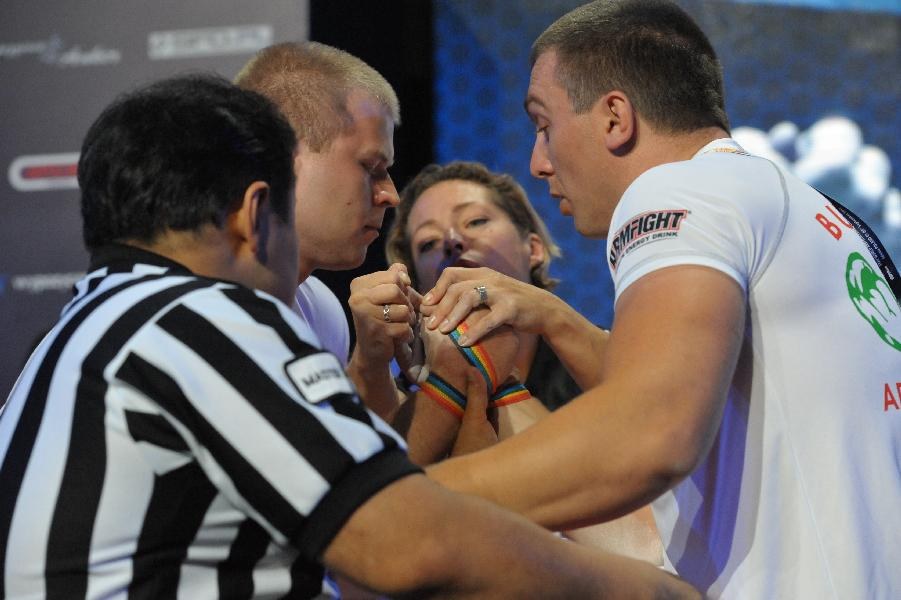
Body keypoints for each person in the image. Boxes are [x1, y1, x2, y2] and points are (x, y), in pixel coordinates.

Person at [0, 74, 701, 599]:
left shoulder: (92, 322)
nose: (388, 196)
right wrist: (647, 593)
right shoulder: (200, 319)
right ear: (256, 213)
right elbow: (405, 542)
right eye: (371, 170)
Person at [422, 1, 901, 597]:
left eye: (544, 126)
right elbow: (701, 387)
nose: (538, 162)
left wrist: (403, 503)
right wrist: (556, 320)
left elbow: (652, 430)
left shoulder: (678, 191)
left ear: (615, 118)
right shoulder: (816, 211)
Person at [387, 160, 662, 562]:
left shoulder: (602, 357)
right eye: (428, 243)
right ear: (417, 286)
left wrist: (549, 315)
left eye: (476, 221)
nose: (452, 240)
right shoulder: (404, 396)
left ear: (533, 248)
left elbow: (664, 458)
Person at [235, 42, 416, 420]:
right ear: (281, 159)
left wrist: (370, 364)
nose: (390, 195)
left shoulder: (322, 309)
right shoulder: (205, 313)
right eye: (372, 167)